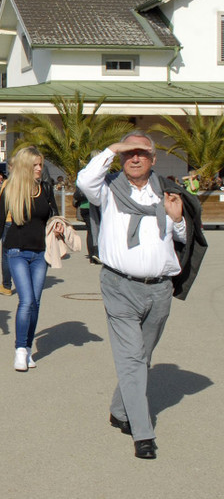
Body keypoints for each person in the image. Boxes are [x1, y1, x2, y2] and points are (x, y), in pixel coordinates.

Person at [76, 131, 205, 460]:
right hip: (119, 286)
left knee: (141, 358)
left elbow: (180, 237)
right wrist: (112, 148)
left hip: (159, 289)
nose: (135, 158)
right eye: (128, 153)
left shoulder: (166, 191)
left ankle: (120, 410)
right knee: (132, 359)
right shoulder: (107, 191)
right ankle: (142, 431)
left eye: (142, 153)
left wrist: (176, 220)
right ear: (120, 157)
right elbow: (85, 179)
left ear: (153, 159)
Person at [0, 147, 62, 371]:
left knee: (36, 303)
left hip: (40, 253)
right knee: (26, 300)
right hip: (16, 251)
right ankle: (19, 349)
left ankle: (28, 348)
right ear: (24, 166)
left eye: (40, 165)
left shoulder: (45, 189)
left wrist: (57, 225)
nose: (39, 169)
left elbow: (54, 215)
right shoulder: (11, 190)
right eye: (35, 165)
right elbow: (0, 224)